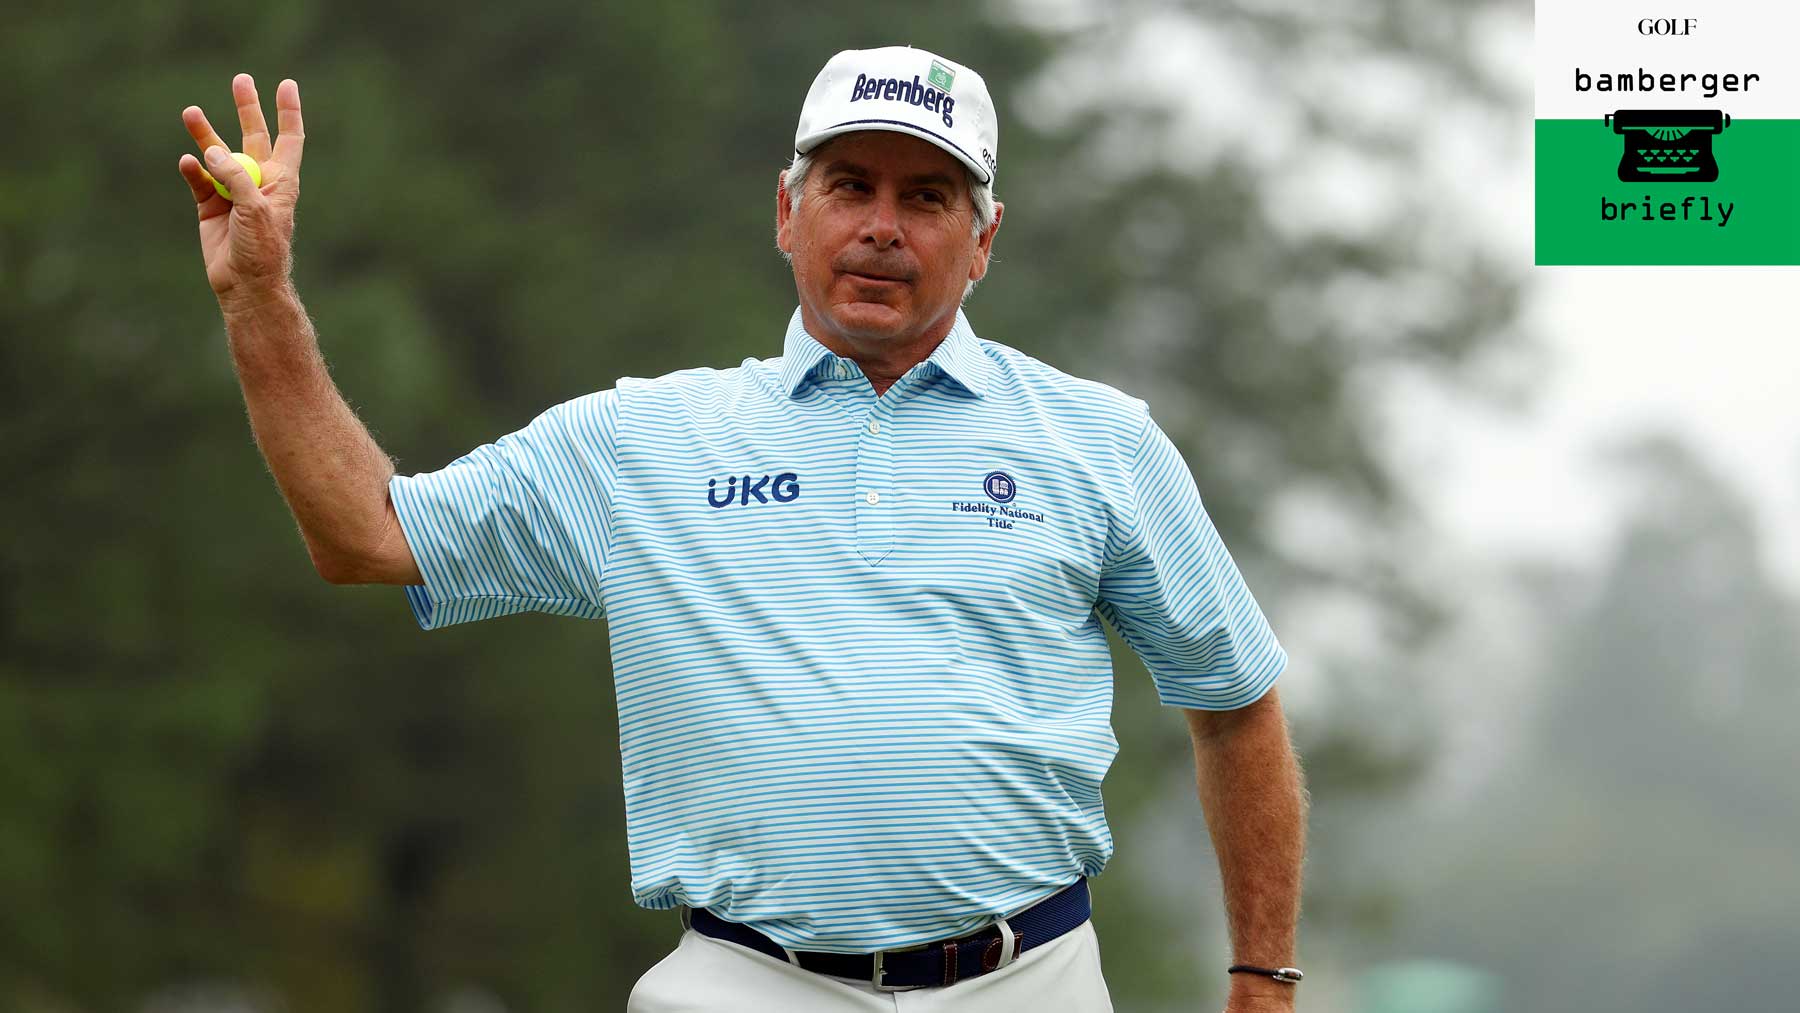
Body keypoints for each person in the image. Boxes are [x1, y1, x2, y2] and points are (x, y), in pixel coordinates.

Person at [176, 44, 1308, 1013]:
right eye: (849, 186)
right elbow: (368, 534)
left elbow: (1235, 702)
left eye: (927, 198)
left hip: (1029, 979)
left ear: (983, 239)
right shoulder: (642, 440)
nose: (881, 228)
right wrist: (259, 297)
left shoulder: (1098, 440)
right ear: (786, 210)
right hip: (746, 980)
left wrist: (1264, 976)